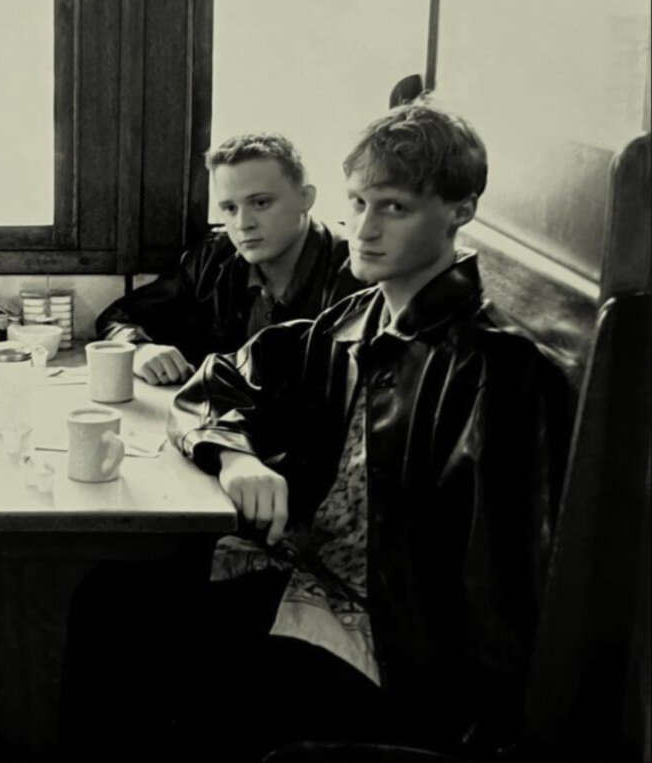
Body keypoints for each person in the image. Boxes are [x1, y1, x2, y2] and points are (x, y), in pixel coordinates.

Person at [166, 100, 572, 757]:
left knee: (188, 691)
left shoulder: (500, 369)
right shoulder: (355, 319)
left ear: (461, 211)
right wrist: (236, 455)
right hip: (309, 574)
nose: (364, 228)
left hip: (393, 640)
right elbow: (218, 379)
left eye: (394, 207)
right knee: (122, 611)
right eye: (357, 204)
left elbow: (504, 585)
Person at [94, 132, 362, 384]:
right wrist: (138, 350)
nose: (243, 223)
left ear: (305, 198)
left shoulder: (356, 269)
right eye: (230, 208)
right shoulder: (214, 256)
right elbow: (118, 317)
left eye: (260, 203)